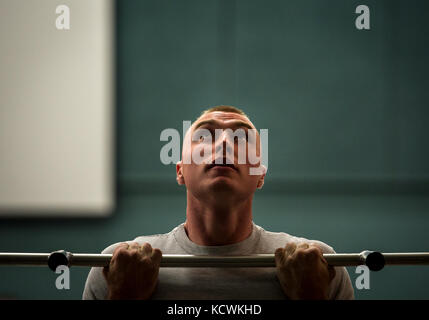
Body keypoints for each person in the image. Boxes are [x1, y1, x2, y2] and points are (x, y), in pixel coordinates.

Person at [83, 105, 354, 300]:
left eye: (242, 137)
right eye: (204, 136)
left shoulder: (319, 265)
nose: (225, 142)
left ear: (260, 175)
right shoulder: (116, 265)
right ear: (180, 171)